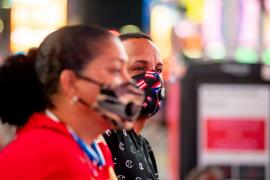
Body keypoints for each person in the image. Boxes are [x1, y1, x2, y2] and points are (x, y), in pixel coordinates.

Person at [0, 25, 143, 179]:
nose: (129, 82)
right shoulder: (51, 156)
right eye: (115, 70)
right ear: (70, 83)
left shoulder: (95, 146)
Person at [103, 33, 164, 179]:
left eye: (158, 70)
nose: (153, 77)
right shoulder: (104, 134)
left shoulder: (144, 146)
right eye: (139, 68)